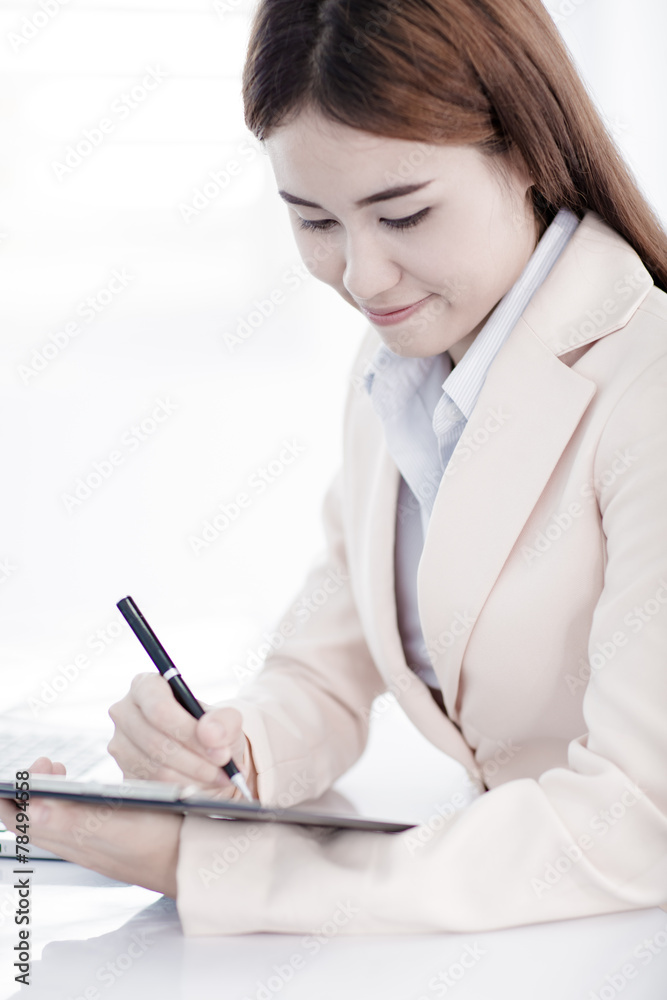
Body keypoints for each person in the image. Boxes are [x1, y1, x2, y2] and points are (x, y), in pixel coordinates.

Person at [2, 0, 666, 934]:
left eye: (403, 214)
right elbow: (329, 660)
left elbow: (636, 821)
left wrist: (218, 868)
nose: (363, 277)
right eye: (313, 221)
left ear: (524, 150)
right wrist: (224, 751)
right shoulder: (404, 359)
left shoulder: (648, 386)